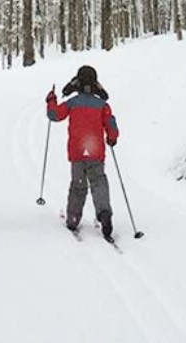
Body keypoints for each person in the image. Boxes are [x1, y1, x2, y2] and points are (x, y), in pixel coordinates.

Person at [46, 65, 121, 242]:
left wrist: (51, 100)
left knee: (78, 186)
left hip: (78, 152)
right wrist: (112, 137)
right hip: (95, 152)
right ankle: (103, 213)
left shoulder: (73, 103)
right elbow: (111, 124)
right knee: (99, 182)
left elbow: (54, 115)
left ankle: (73, 218)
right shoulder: (102, 105)